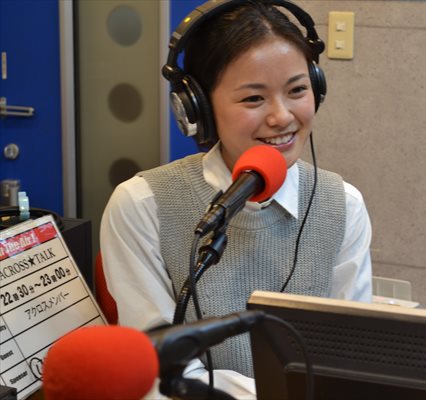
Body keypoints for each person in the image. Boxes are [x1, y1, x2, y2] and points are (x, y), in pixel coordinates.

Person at [99, 1, 373, 398]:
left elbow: (350, 359)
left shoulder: (342, 205)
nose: (282, 116)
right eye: (253, 99)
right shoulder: (143, 205)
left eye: (297, 90)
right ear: (199, 107)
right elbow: (159, 370)